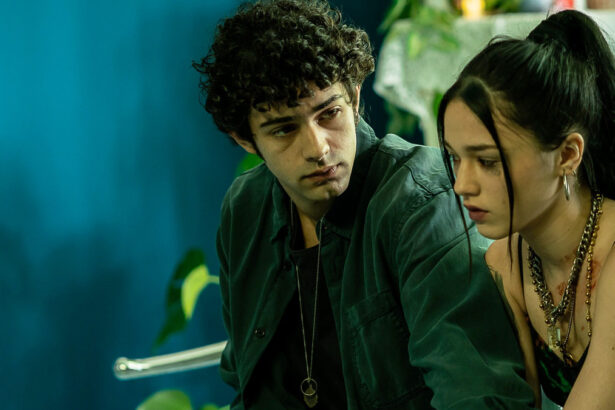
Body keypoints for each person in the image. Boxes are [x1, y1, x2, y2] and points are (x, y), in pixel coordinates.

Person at [194, 0, 534, 408]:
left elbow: (478, 395)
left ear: (355, 99)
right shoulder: (245, 209)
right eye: (284, 129)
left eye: (329, 114)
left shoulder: (420, 204)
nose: (318, 148)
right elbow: (247, 383)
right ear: (245, 140)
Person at [438, 10, 615, 409]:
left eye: (487, 161)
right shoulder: (506, 263)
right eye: (454, 158)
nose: (462, 185)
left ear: (567, 155)